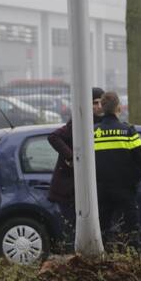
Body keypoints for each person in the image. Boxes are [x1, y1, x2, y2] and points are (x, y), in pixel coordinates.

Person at [93, 92, 141, 252]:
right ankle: (131, 261)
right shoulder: (128, 131)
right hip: (125, 190)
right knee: (130, 229)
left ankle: (105, 262)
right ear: (118, 107)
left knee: (103, 228)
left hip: (100, 190)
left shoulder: (93, 133)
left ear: (101, 108)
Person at [47, 87, 105, 245]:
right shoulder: (79, 123)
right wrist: (72, 157)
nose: (99, 106)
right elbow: (53, 136)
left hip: (86, 187)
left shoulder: (105, 123)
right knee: (71, 229)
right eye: (95, 103)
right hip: (69, 189)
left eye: (101, 102)